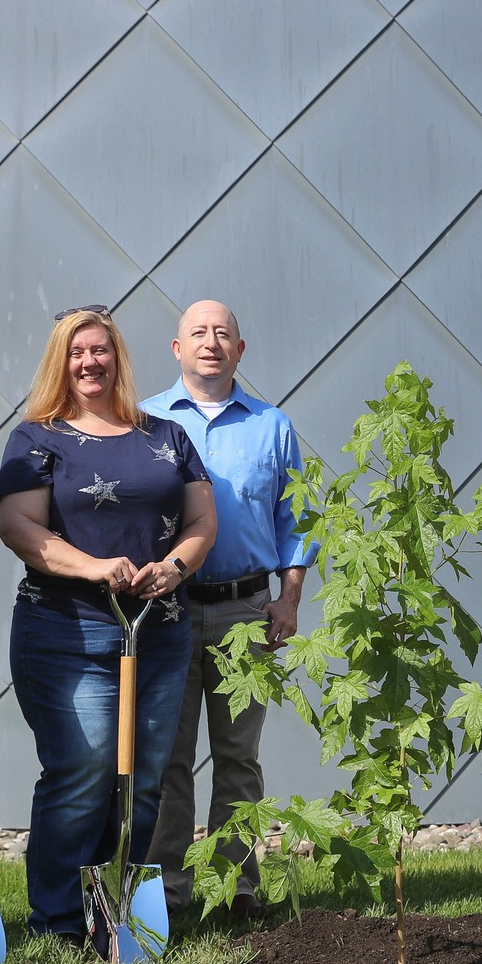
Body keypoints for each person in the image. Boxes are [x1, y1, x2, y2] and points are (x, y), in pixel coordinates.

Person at [0, 307, 215, 946]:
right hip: (68, 632)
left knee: (146, 778)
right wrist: (94, 568)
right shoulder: (37, 438)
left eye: (101, 350)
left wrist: (176, 566)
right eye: (75, 352)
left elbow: (203, 523)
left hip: (160, 630)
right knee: (84, 771)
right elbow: (18, 528)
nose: (90, 362)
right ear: (59, 362)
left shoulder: (166, 435)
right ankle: (60, 920)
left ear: (118, 357)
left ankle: (120, 916)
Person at [144, 301, 314, 919]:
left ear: (241, 348)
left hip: (247, 609)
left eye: (223, 334)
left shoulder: (273, 427)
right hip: (166, 611)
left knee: (240, 756)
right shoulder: (145, 423)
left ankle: (236, 889)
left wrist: (288, 601)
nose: (210, 343)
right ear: (176, 348)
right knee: (169, 758)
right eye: (198, 333)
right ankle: (169, 895)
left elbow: (298, 524)